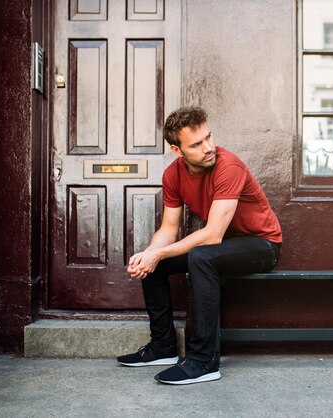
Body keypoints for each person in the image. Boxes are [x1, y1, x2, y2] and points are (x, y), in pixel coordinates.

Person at [116, 106, 282, 385]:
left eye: (208, 137)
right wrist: (148, 256)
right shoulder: (173, 176)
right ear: (177, 150)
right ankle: (162, 347)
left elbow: (213, 234)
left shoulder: (228, 166)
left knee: (201, 256)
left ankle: (203, 361)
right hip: (223, 246)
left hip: (262, 245)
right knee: (157, 264)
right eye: (196, 144)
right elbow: (168, 229)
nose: (208, 147)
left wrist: (156, 253)